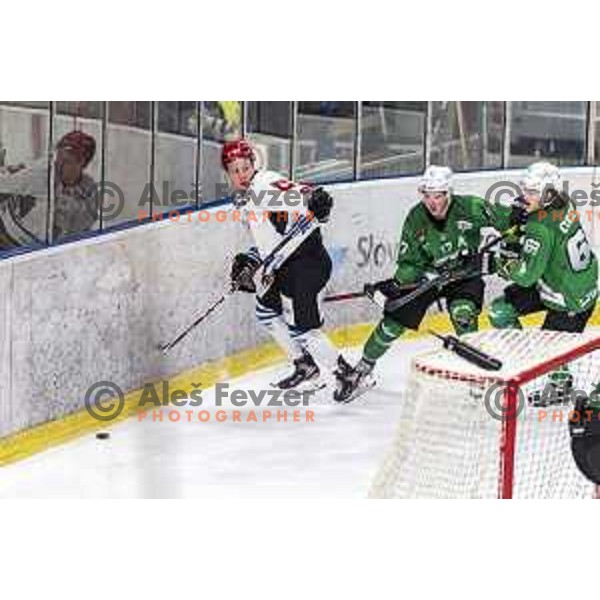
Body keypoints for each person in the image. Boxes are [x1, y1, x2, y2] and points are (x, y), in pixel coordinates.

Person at [334, 165, 504, 403]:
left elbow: (506, 220)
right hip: (429, 278)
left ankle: (477, 375)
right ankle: (363, 369)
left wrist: (514, 233)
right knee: (392, 324)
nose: (432, 202)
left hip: (464, 275)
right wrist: (400, 282)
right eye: (427, 195)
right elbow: (409, 261)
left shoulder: (470, 207)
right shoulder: (415, 218)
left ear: (449, 193)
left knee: (463, 313)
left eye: (438, 196)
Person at [222, 139, 344, 392]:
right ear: (228, 174)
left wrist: (312, 198)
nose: (241, 175)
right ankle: (305, 367)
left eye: (245, 168)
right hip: (284, 265)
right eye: (235, 171)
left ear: (253, 165)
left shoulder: (263, 183)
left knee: (302, 330)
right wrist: (253, 260)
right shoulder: (245, 199)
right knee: (265, 311)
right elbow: (271, 238)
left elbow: (295, 193)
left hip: (304, 263)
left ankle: (348, 375)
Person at [489, 162, 598, 405]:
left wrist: (499, 264)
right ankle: (551, 376)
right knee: (501, 309)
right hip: (576, 285)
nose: (525, 196)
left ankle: (552, 379)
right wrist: (522, 222)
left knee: (546, 352)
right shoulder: (565, 201)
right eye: (525, 189)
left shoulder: (540, 228)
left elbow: (527, 275)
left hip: (568, 298)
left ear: (549, 193)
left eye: (533, 192)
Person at [0, 130, 98, 251]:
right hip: (6, 236)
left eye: (67, 161)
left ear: (82, 163)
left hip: (35, 250)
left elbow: (83, 229)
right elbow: (4, 182)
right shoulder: (42, 175)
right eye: (59, 157)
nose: (58, 164)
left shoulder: (89, 190)